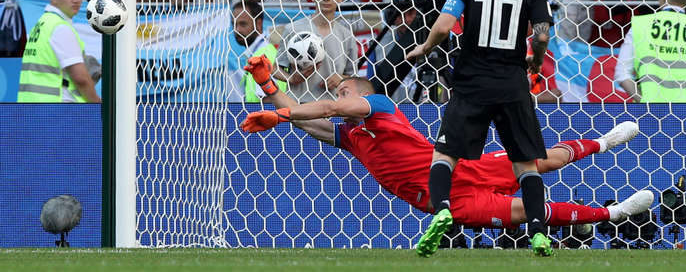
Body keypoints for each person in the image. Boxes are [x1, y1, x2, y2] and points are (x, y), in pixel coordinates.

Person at [241, 56, 654, 243]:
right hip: (449, 203)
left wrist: (281, 113)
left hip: (463, 170)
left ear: (361, 95)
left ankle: (603, 142)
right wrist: (268, 86)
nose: (338, 97)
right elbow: (309, 121)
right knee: (529, 212)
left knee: (544, 162)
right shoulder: (353, 138)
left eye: (344, 90)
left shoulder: (379, 106)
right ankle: (615, 213)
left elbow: (326, 108)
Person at [405, 0, 555, 257]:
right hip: (512, 84)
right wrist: (535, 59)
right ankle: (537, 232)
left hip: (471, 82)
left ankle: (443, 210)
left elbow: (444, 26)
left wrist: (425, 47)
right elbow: (542, 35)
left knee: (445, 155)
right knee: (525, 164)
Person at [273, 0, 358, 102]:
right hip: (298, 104)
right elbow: (275, 68)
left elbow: (354, 76)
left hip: (333, 105)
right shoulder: (293, 29)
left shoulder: (347, 35)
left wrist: (341, 78)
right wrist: (292, 79)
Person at [17, 0, 100, 102]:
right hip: (56, 107)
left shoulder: (43, 23)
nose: (76, 0)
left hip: (32, 105)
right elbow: (81, 79)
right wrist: (97, 105)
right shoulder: (60, 28)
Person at [226, 0, 286, 103]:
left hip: (264, 113)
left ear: (258, 24)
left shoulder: (263, 54)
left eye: (243, 24)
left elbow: (270, 99)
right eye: (234, 24)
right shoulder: (259, 51)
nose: (237, 30)